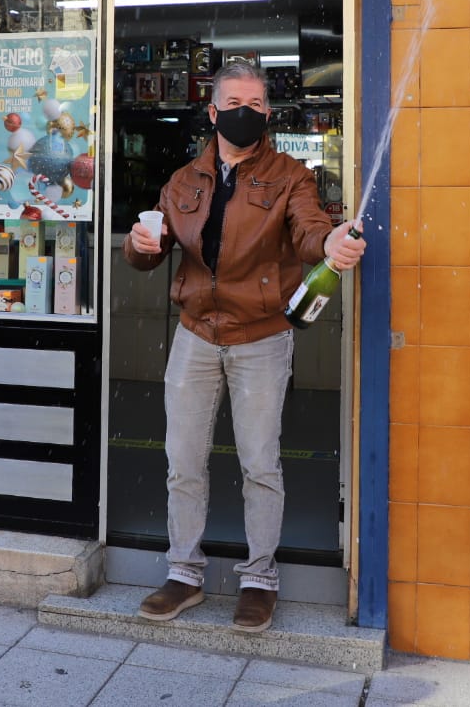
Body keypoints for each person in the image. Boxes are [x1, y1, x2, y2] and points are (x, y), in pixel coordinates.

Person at [123, 60, 365, 633]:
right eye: (234, 103)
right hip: (195, 335)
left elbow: (309, 231)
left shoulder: (291, 177)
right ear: (213, 112)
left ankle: (260, 580)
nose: (245, 113)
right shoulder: (183, 180)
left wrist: (331, 241)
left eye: (256, 105)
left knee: (260, 464)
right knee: (183, 461)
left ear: (268, 112)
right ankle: (184, 572)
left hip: (261, 337)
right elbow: (149, 252)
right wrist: (137, 245)